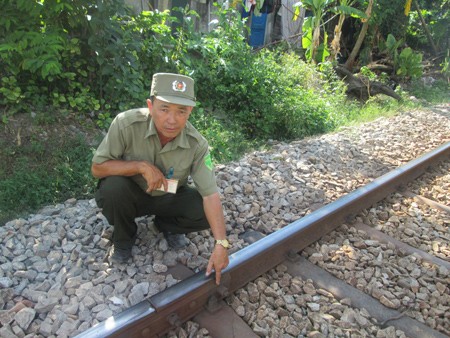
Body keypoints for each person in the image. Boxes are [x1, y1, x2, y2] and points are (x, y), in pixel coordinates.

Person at [91, 73, 229, 284]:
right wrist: (139, 166)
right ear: (150, 105)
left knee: (202, 210)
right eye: (164, 109)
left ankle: (165, 225)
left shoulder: (197, 144)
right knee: (111, 188)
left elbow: (210, 194)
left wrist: (221, 243)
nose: (172, 120)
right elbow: (98, 168)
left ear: (189, 111)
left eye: (181, 111)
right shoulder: (125, 124)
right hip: (131, 195)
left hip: (168, 197)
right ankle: (124, 237)